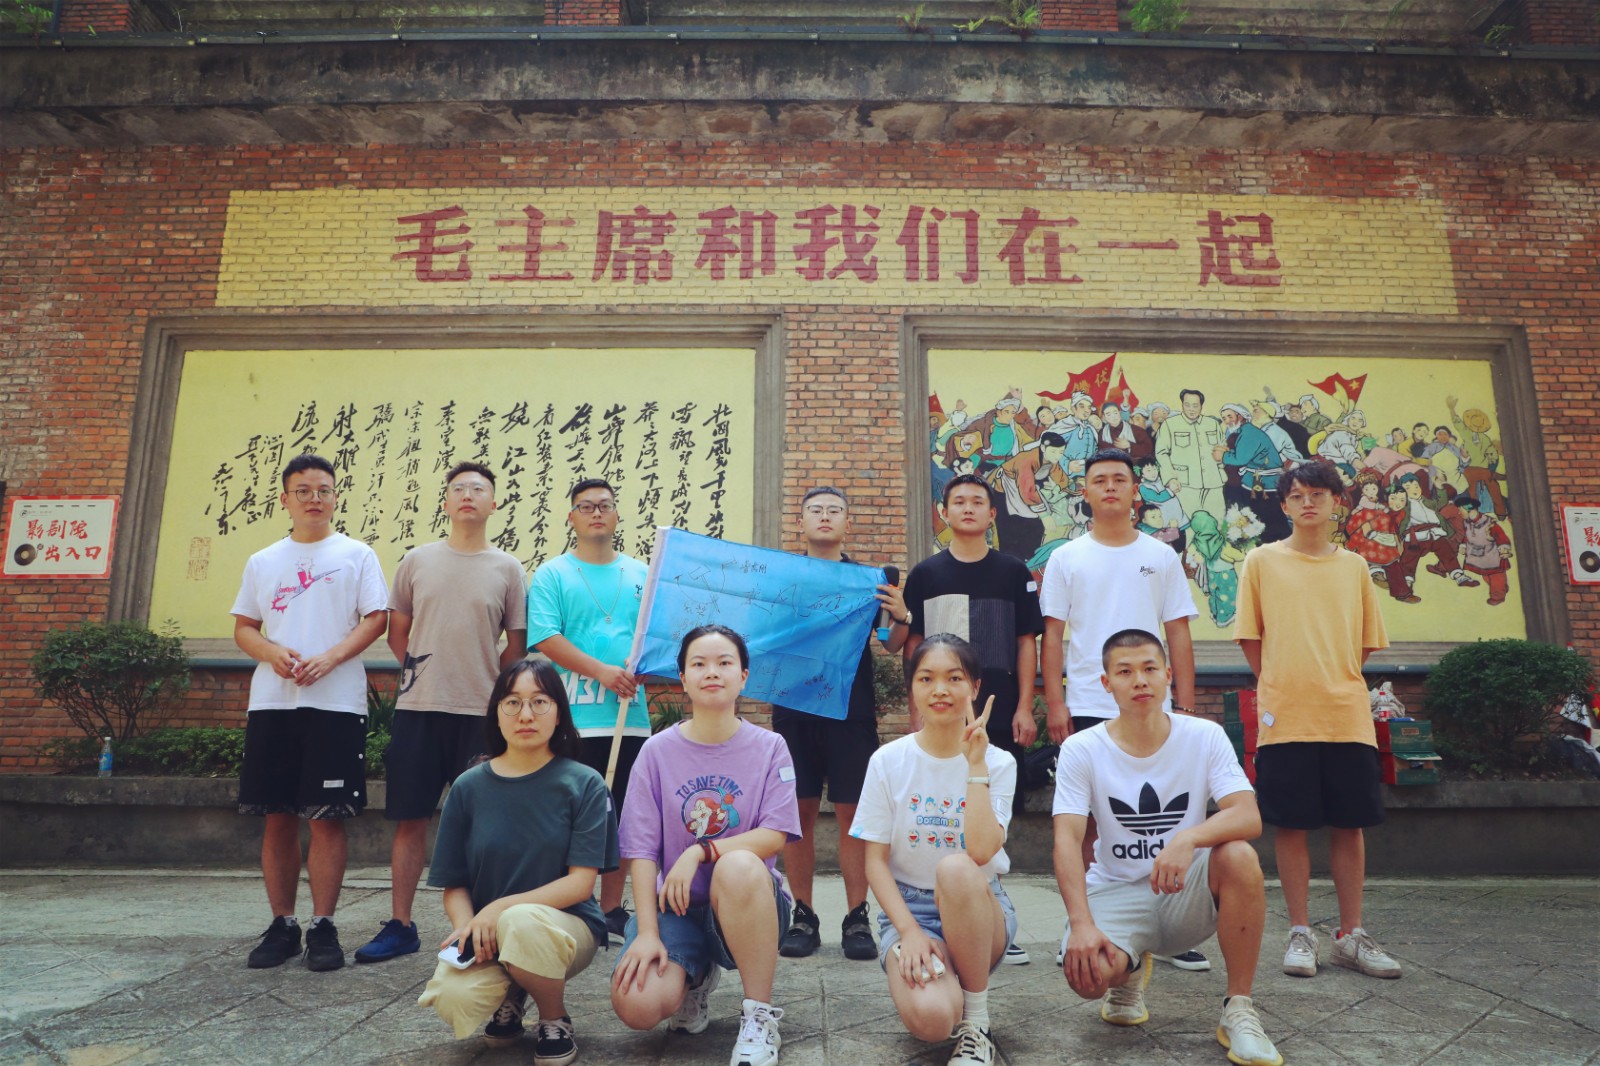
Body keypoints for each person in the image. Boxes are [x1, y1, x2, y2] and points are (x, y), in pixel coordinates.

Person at [1053, 630, 1282, 1066]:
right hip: (1115, 891)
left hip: (1183, 889)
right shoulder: (1082, 748)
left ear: (1168, 675)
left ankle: (1239, 1009)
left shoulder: (1204, 736)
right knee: (1087, 978)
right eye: (1125, 671)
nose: (1139, 680)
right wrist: (1080, 924)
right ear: (1106, 683)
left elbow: (1247, 815)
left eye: (1149, 668)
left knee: (1239, 855)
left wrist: (1187, 838)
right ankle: (1129, 971)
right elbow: (1066, 838)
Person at [1038, 448, 1207, 973]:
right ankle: (1086, 922)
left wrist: (1185, 704)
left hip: (1153, 705)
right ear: (1084, 492)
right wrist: (1056, 701)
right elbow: (1052, 635)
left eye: (1119, 479)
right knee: (1091, 819)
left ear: (1136, 491)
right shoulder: (1067, 557)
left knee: (1165, 814)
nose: (1110, 487)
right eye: (1099, 480)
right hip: (1089, 703)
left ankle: (1171, 925)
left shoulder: (1160, 555)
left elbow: (1177, 631)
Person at [1234, 460, 1403, 982]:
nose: (1308, 503)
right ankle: (1300, 932)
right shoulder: (1261, 561)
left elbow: (1364, 644)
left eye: (1319, 494)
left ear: (1336, 503)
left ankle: (1351, 935)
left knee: (1350, 825)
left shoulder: (1354, 567)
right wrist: (1281, 682)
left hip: (1345, 715)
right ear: (1284, 504)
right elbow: (1249, 637)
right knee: (1292, 825)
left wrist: (1333, 677)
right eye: (1298, 495)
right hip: (1285, 715)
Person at [355, 462, 529, 966]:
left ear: (494, 503)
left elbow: (515, 646)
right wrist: (423, 674)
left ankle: (483, 927)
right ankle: (401, 925)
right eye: (458, 489)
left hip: (480, 715)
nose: (468, 495)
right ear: (446, 502)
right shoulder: (417, 561)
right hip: (419, 709)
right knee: (409, 818)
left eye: (478, 489)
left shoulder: (508, 569)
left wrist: (487, 687)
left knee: (485, 826)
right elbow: (398, 632)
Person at [610, 625, 802, 1066]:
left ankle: (758, 1015)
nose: (711, 672)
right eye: (698, 664)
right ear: (683, 678)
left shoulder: (771, 747)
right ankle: (694, 979)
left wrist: (701, 850)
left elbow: (775, 834)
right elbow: (641, 850)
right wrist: (648, 933)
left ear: (743, 676)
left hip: (749, 902)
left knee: (739, 865)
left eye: (724, 662)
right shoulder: (656, 752)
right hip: (675, 908)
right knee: (636, 1005)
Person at [231, 453, 388, 971]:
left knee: (327, 818)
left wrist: (330, 658)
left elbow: (377, 619)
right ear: (285, 499)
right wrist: (271, 653)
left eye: (323, 490)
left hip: (336, 703)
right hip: (273, 703)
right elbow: (245, 627)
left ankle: (323, 925)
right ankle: (283, 924)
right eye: (303, 490)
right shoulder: (264, 560)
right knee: (277, 816)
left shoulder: (357, 554)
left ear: (335, 497)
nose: (314, 498)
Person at [416, 661, 618, 1060]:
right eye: (512, 702)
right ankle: (514, 989)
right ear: (496, 712)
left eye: (539, 702)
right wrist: (467, 929)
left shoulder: (585, 783)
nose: (525, 715)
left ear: (559, 713)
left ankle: (554, 1016)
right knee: (453, 997)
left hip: (566, 928)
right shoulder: (467, 788)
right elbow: (454, 883)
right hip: (490, 933)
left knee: (521, 923)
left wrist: (498, 909)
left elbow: (580, 884)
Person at [851, 634, 1020, 1066]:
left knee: (957, 868)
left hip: (979, 907)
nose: (940, 690)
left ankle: (977, 1023)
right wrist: (908, 931)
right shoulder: (887, 761)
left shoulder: (999, 762)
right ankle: (949, 987)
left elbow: (981, 851)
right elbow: (874, 863)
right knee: (932, 1020)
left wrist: (975, 765)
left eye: (954, 678)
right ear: (913, 688)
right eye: (926, 678)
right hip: (911, 910)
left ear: (975, 687)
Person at [902, 473, 1043, 964]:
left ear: (992, 513)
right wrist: (915, 713)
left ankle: (992, 912)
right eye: (958, 501)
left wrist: (1025, 706)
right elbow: (913, 649)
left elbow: (1026, 642)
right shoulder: (925, 574)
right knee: (944, 804)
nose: (967, 508)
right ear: (944, 513)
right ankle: (943, 908)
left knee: (991, 812)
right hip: (940, 717)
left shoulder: (1013, 571)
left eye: (977, 502)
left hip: (998, 712)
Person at [774, 487, 906, 961]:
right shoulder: (782, 577)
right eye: (815, 510)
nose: (825, 517)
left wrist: (902, 614)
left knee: (855, 815)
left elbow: (891, 642)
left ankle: (857, 917)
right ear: (801, 523)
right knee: (798, 814)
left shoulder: (870, 581)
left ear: (848, 523)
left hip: (852, 710)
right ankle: (803, 914)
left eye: (834, 511)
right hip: (794, 709)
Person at [526, 477, 649, 941]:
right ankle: (571, 901)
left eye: (605, 505)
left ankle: (612, 908)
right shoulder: (553, 574)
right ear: (571, 517)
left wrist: (643, 668)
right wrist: (601, 671)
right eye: (586, 506)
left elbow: (657, 636)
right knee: (568, 816)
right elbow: (545, 637)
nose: (596, 513)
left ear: (617, 515)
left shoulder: (641, 574)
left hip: (627, 717)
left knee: (621, 815)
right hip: (571, 717)